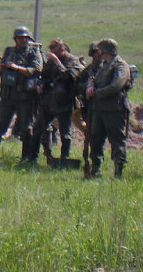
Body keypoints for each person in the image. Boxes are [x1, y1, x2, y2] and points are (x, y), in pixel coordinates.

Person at [0, 26, 43, 164]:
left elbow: (36, 69)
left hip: (25, 96)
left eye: (25, 38)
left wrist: (17, 68)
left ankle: (26, 158)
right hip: (8, 94)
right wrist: (4, 67)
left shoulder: (34, 51)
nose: (23, 40)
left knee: (26, 128)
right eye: (20, 38)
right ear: (15, 39)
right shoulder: (9, 51)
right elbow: (1, 67)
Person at [85, 38, 131, 179]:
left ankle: (118, 172)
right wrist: (90, 86)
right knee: (96, 139)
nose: (98, 52)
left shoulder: (120, 65)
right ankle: (96, 170)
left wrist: (97, 93)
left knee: (117, 140)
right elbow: (93, 79)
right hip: (99, 109)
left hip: (114, 109)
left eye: (101, 50)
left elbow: (116, 86)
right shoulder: (103, 65)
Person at [37, 38, 85, 167]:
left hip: (65, 101)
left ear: (63, 49)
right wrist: (41, 84)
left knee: (65, 132)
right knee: (40, 127)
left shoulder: (73, 61)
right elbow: (44, 76)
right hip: (49, 101)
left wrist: (57, 61)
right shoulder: (51, 62)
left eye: (57, 51)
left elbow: (68, 76)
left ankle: (65, 158)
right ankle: (43, 154)